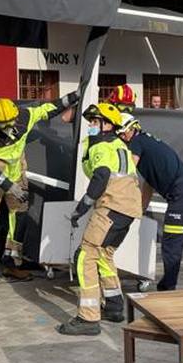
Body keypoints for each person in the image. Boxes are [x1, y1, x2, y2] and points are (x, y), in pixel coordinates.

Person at [0, 92, 79, 284]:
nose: (9, 127)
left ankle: (12, 265)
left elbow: (49, 109)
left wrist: (75, 96)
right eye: (4, 124)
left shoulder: (25, 117)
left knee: (20, 219)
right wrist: (9, 186)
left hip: (17, 176)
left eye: (12, 122)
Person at [61, 103, 143, 336]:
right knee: (104, 253)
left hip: (111, 206)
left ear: (108, 125)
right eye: (91, 122)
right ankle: (115, 307)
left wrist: (82, 206)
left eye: (95, 122)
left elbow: (102, 175)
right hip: (128, 209)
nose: (91, 126)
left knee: (86, 255)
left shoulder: (102, 147)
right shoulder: (119, 145)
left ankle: (88, 318)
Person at [118, 114, 183, 291]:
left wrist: (117, 192)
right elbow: (149, 183)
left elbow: (128, 172)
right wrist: (140, 210)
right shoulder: (148, 142)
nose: (120, 139)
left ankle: (168, 287)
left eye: (120, 134)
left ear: (130, 129)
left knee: (172, 242)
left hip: (180, 195)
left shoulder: (136, 143)